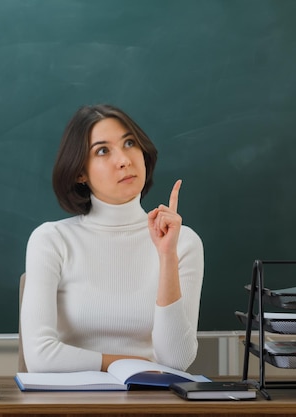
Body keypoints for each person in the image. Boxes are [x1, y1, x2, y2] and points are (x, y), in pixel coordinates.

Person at [20, 104, 204, 373]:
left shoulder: (182, 242)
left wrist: (167, 256)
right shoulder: (51, 240)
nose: (124, 160)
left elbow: (176, 361)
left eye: (129, 143)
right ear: (80, 173)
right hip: (69, 405)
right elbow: (39, 357)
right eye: (103, 150)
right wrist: (127, 364)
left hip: (153, 403)